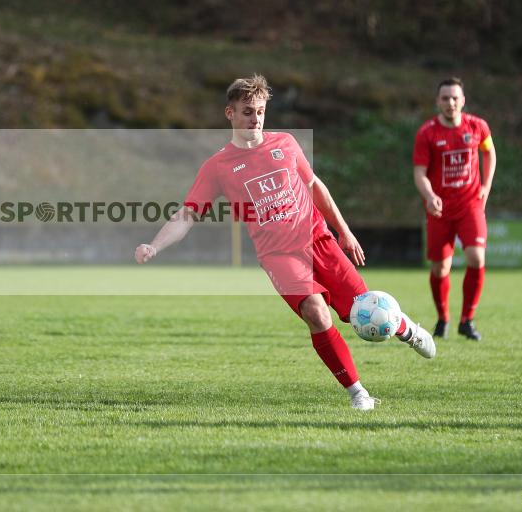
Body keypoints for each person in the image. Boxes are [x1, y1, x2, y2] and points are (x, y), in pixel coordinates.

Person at [135, 75, 435, 411]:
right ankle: (358, 392)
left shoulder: (287, 144)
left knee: (360, 310)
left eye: (260, 111)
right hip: (279, 256)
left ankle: (407, 329)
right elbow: (187, 215)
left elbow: (315, 187)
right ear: (229, 114)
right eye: (247, 111)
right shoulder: (217, 166)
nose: (256, 118)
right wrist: (155, 245)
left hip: (320, 241)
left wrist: (345, 231)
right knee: (316, 313)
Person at [413, 77, 496, 341]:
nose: (450, 102)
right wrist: (429, 195)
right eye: (445, 98)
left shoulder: (477, 126)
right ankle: (443, 318)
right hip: (439, 210)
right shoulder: (427, 133)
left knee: (476, 258)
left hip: (470, 204)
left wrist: (486, 185)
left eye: (455, 98)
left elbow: (490, 153)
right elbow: (419, 173)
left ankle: (467, 320)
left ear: (463, 100)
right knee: (440, 269)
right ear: (438, 101)